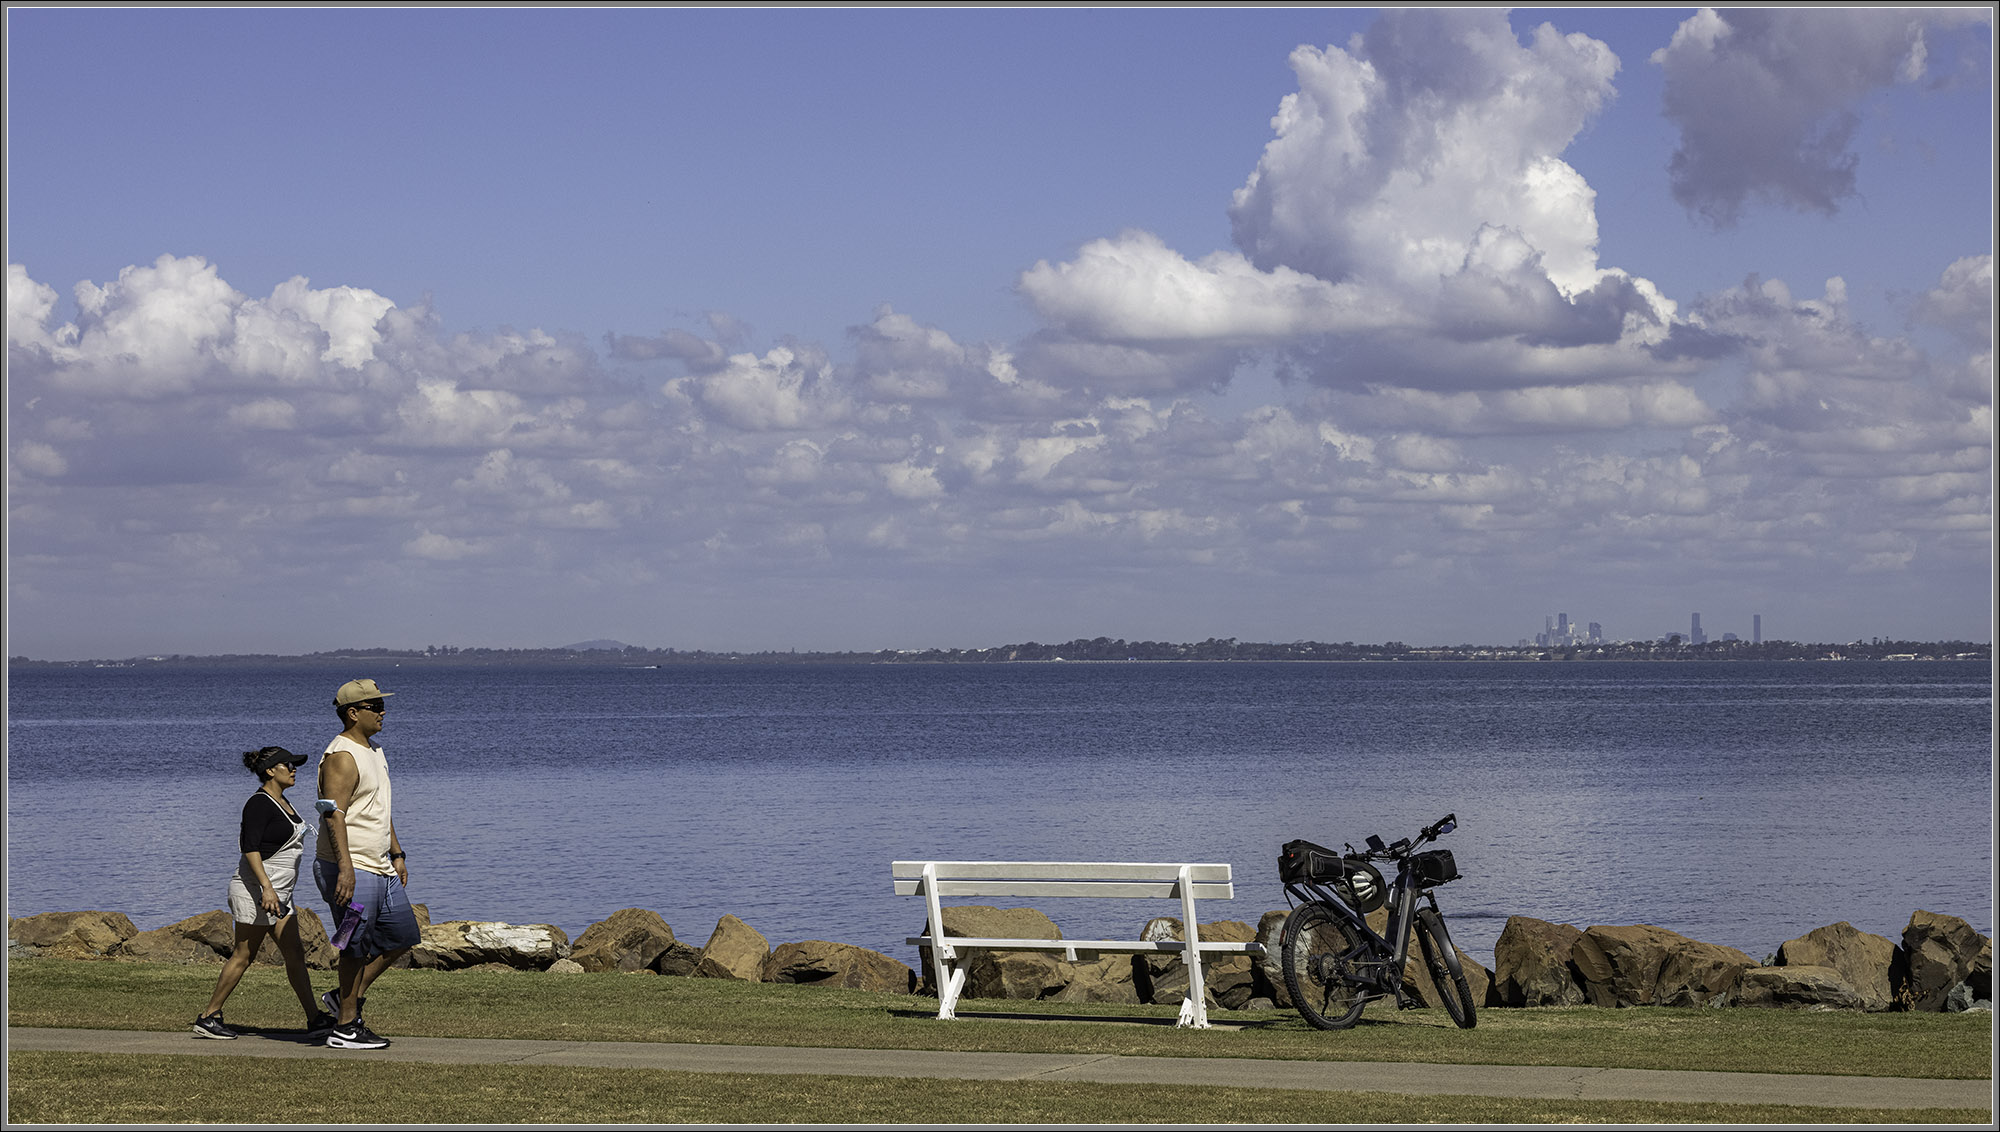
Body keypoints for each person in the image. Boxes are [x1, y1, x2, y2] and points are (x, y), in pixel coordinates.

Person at [192, 746, 337, 1039]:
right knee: (244, 954)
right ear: (270, 770)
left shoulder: (283, 802)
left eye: (295, 765)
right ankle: (209, 1016)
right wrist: (266, 889)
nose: (294, 769)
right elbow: (249, 848)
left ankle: (314, 1019)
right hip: (257, 892)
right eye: (288, 765)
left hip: (280, 894)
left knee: (294, 954)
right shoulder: (258, 804)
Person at [312, 678, 420, 1051]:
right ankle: (345, 1026)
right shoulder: (342, 757)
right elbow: (333, 814)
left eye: (381, 704)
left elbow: (377, 809)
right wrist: (345, 869)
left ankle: (344, 998)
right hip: (351, 867)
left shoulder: (374, 751)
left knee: (403, 937)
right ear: (353, 713)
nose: (383, 711)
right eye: (374, 706)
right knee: (354, 944)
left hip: (380, 867)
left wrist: (396, 852)